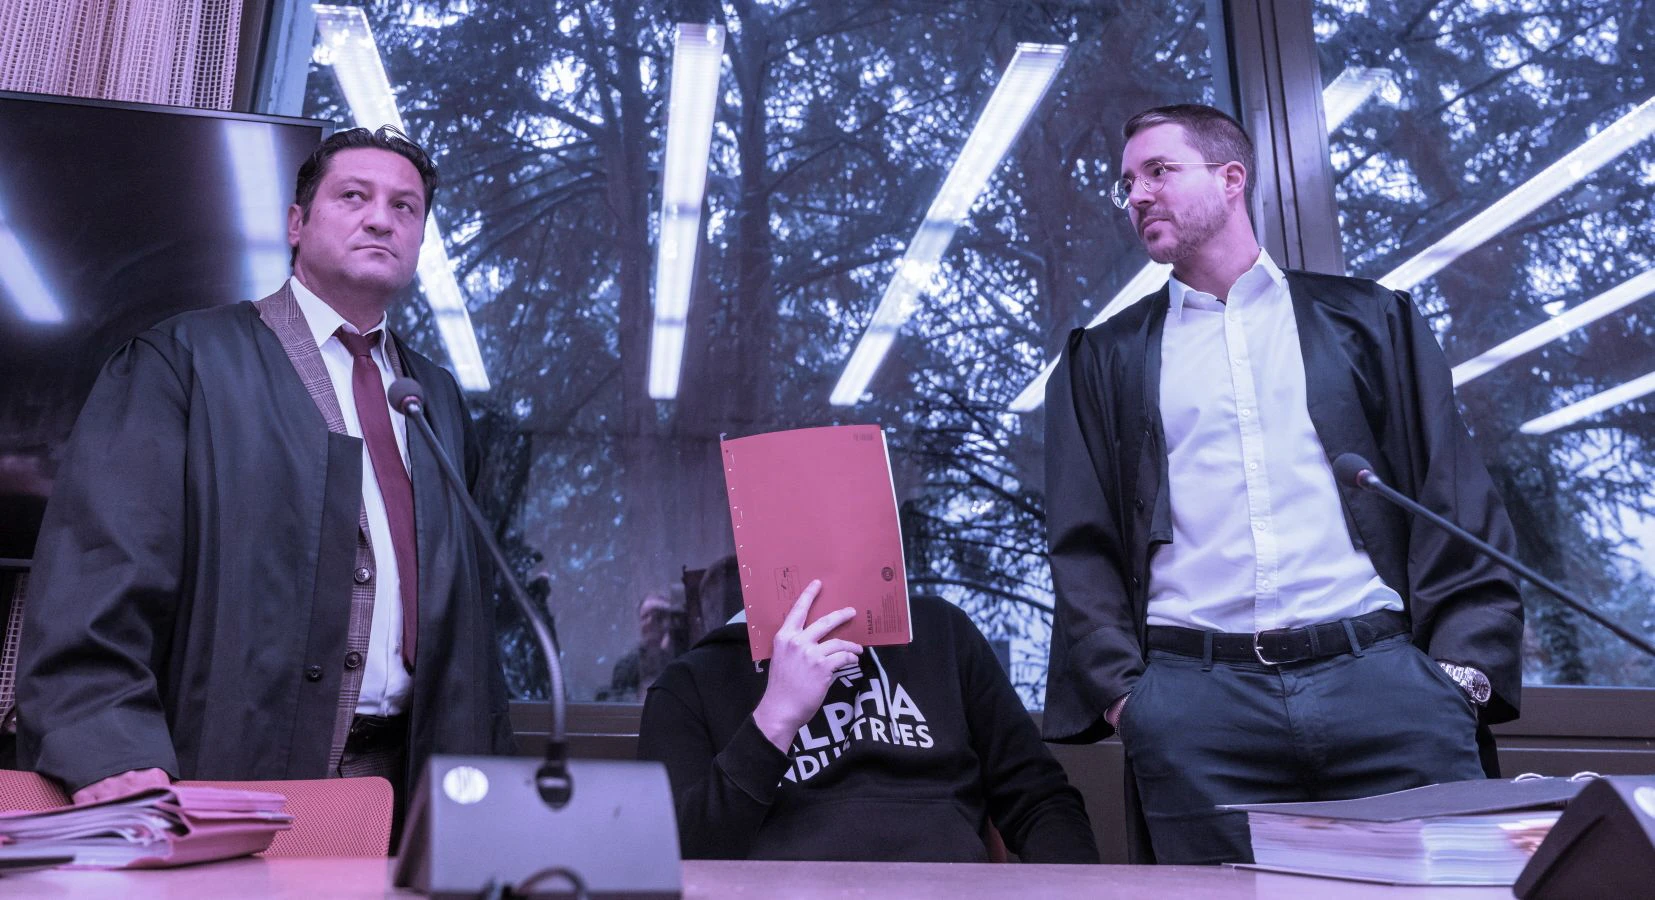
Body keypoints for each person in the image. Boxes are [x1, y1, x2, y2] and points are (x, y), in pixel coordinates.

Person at [1041, 104, 1524, 864]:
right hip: (1197, 712)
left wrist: (1457, 676)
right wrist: (1129, 701)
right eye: (1126, 183)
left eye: (1158, 171)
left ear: (1231, 178)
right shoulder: (1104, 360)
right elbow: (1082, 543)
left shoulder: (1368, 321)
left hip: (1384, 687)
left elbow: (1452, 498)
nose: (1136, 195)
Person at [16, 126, 513, 821]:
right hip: (227, 773)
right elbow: (97, 574)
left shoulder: (434, 399)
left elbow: (467, 623)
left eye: (405, 207)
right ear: (296, 224)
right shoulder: (182, 362)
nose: (381, 219)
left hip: (415, 789)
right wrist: (109, 748)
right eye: (354, 196)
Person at [639, 580, 1099, 863]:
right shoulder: (690, 684)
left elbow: (1041, 801)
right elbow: (673, 858)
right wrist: (774, 720)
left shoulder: (940, 632)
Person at [601, 589, 687, 702]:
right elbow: (618, 705)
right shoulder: (626, 666)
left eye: (658, 616)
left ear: (671, 621)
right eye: (645, 616)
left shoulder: (685, 658)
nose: (650, 621)